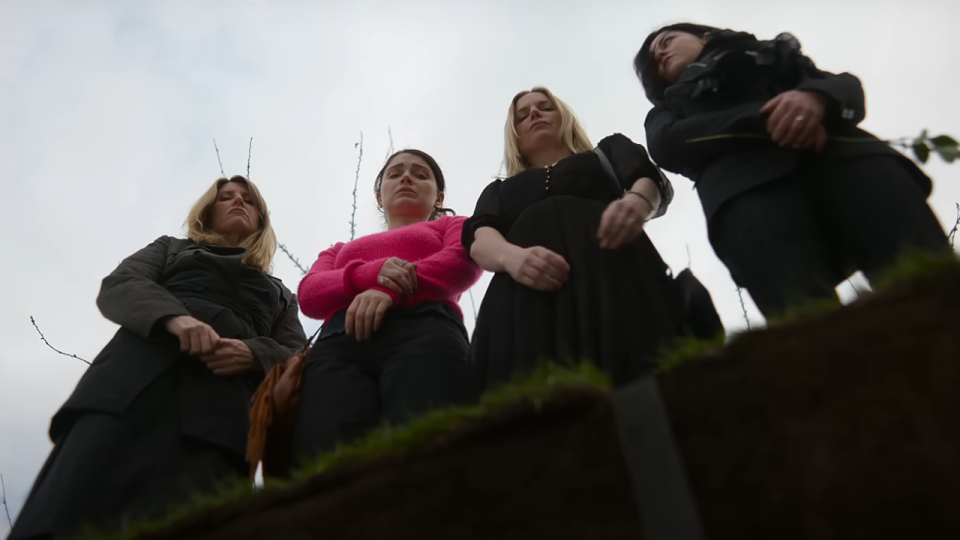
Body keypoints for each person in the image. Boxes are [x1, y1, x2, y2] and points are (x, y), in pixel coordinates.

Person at [10, 176, 307, 540]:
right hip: (131, 384)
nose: (237, 202)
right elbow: (123, 283)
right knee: (69, 506)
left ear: (261, 219)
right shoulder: (170, 248)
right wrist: (175, 318)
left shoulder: (281, 293)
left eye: (248, 200)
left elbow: (297, 352)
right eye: (226, 197)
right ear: (207, 213)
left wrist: (253, 353)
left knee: (192, 518)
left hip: (222, 409)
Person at [636, 23, 952, 317]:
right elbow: (668, 144)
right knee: (806, 330)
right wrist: (768, 118)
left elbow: (845, 87)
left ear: (704, 36)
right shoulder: (665, 111)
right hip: (747, 200)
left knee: (933, 285)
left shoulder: (777, 58)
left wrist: (815, 98)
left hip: (848, 161)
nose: (660, 54)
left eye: (666, 41)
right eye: (653, 62)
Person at [462, 86, 689, 396]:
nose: (534, 114)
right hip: (523, 297)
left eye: (545, 107)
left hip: (615, 278)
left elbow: (646, 180)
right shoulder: (498, 191)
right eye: (522, 115)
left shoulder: (608, 152)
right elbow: (480, 239)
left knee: (641, 381)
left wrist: (636, 203)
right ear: (513, 134)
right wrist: (512, 259)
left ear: (564, 117)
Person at [293, 149, 482, 460]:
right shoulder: (339, 249)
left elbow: (461, 263)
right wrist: (369, 275)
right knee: (326, 458)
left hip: (428, 331)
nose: (406, 177)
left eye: (420, 174)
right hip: (338, 344)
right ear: (379, 197)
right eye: (395, 173)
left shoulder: (454, 226)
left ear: (439, 197)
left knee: (425, 448)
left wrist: (390, 292)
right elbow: (310, 294)